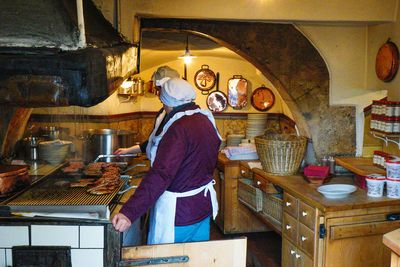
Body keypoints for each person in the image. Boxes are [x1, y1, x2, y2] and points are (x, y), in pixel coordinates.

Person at [112, 66, 221, 245]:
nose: (162, 105)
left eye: (163, 101)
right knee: (197, 258)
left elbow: (161, 174)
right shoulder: (205, 118)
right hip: (201, 207)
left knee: (168, 260)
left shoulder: (178, 128)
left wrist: (129, 212)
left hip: (179, 213)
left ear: (168, 101)